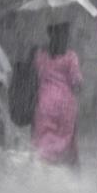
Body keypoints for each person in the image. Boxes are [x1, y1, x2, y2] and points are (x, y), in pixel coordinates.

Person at [32, 22, 83, 166]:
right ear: (65, 36)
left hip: (44, 105)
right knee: (66, 141)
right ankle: (67, 173)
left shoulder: (40, 55)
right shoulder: (71, 56)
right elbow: (76, 81)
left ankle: (44, 167)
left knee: (44, 140)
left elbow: (36, 75)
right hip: (65, 106)